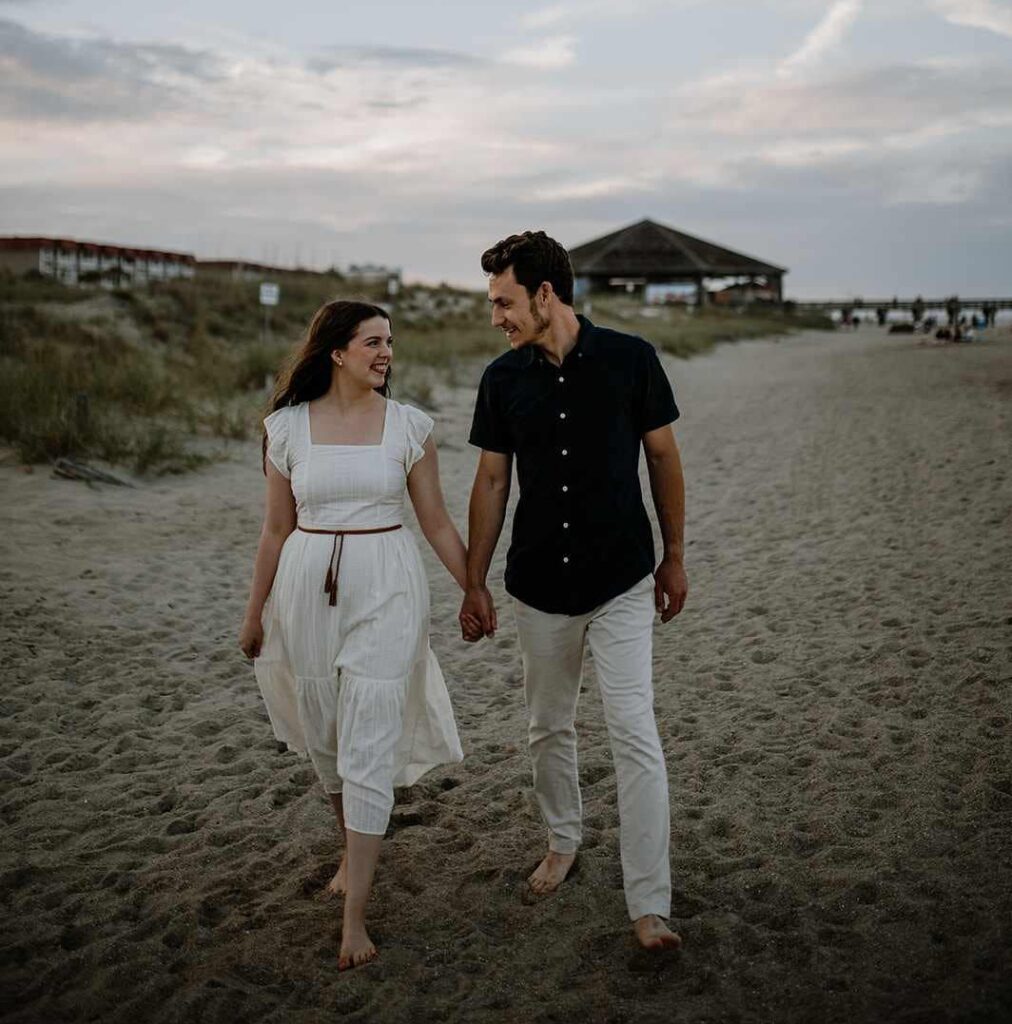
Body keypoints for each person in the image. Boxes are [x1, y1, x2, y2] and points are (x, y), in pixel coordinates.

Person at [460, 231, 687, 951]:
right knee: (547, 728)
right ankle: (563, 839)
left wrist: (675, 556)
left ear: (545, 294)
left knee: (634, 731)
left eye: (504, 301)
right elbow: (493, 481)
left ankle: (649, 904)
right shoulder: (502, 380)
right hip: (537, 586)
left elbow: (663, 457)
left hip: (621, 578)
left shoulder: (631, 359)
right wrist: (474, 581)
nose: (497, 315)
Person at [239, 300, 477, 970]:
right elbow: (275, 529)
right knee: (326, 735)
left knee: (369, 736)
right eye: (373, 342)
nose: (386, 354)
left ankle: (354, 920)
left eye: (390, 343)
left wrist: (473, 587)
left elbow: (434, 522)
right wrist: (254, 611)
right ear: (336, 351)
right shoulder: (285, 428)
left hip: (389, 583)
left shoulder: (409, 426)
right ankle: (350, 848)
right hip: (306, 587)